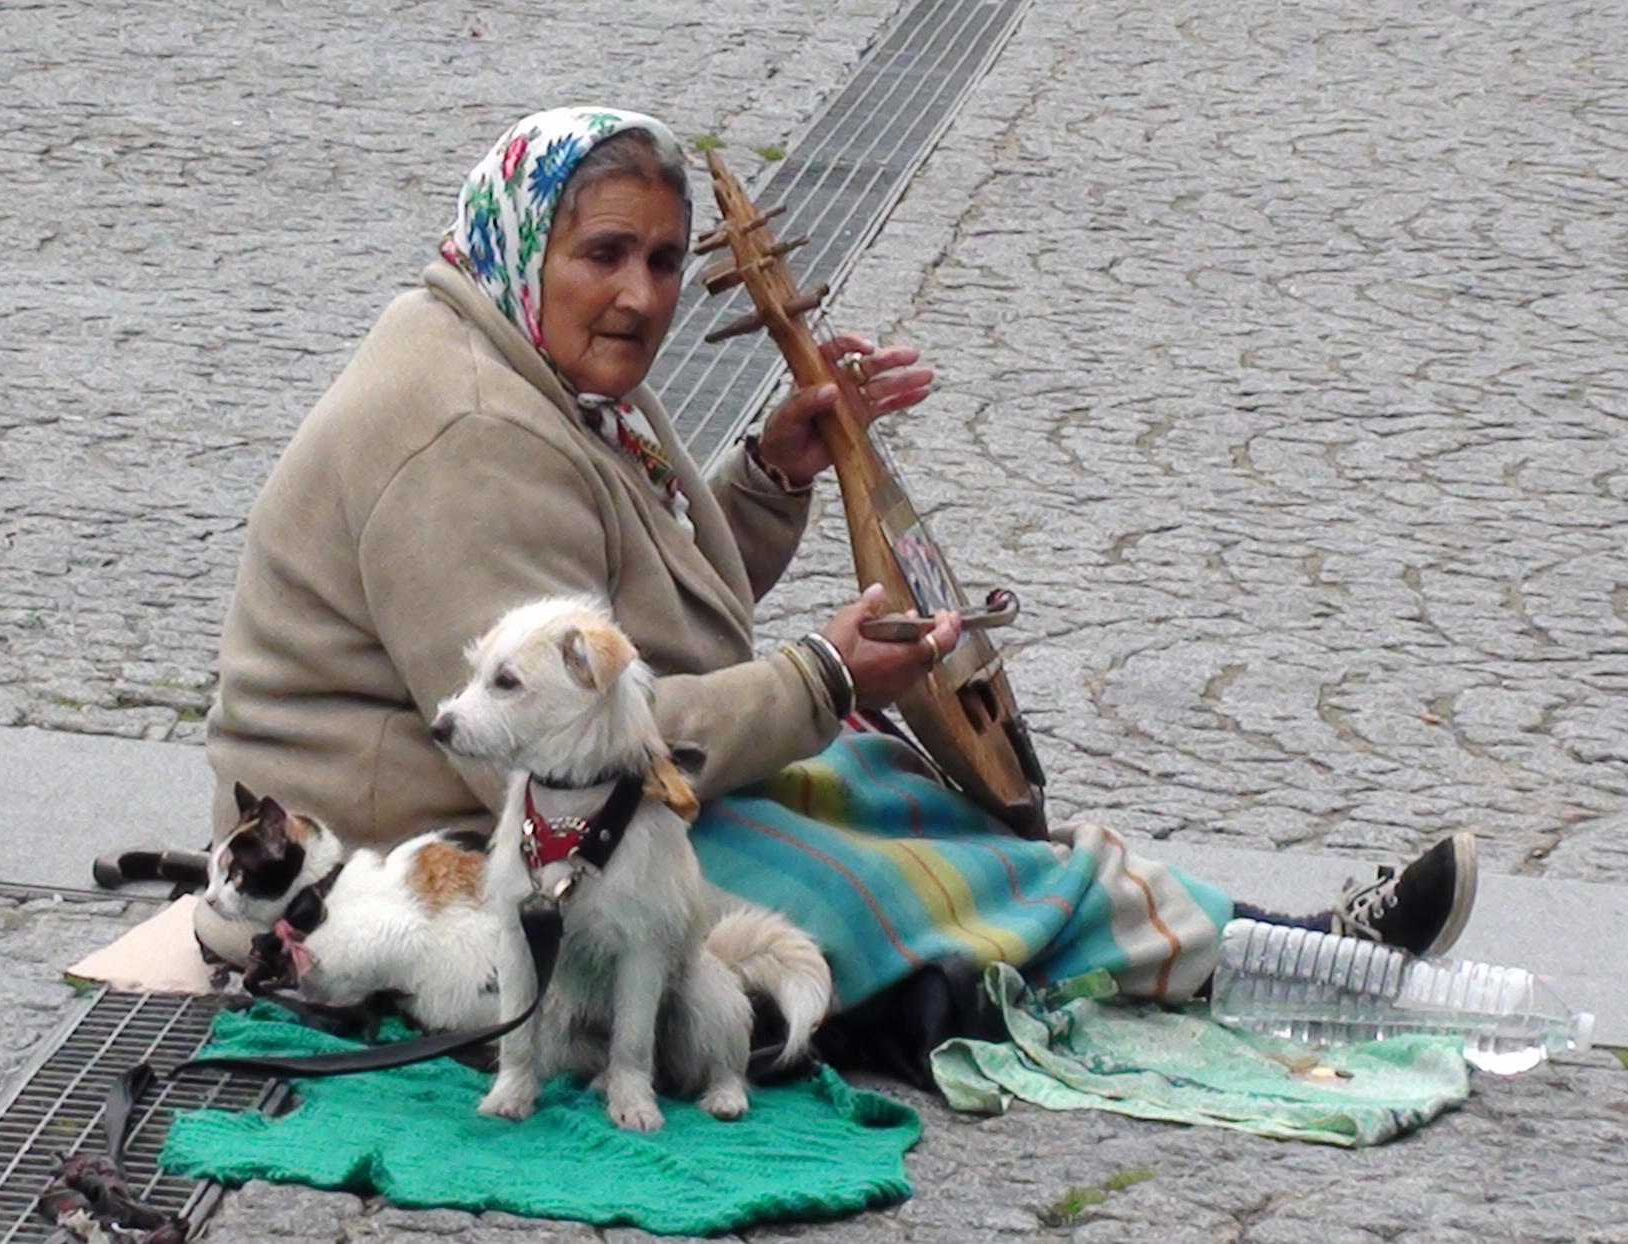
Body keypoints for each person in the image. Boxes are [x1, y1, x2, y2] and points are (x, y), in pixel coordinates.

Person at [198, 106, 1476, 1064]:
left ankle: (1259, 938)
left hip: (523, 797)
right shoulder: (468, 431)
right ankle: (1243, 961)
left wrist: (765, 475)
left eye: (662, 258)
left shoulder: (526, 359)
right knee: (836, 854)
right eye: (605, 254)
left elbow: (626, 639)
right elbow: (543, 756)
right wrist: (813, 676)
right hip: (400, 855)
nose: (641, 295)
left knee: (872, 773)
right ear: (528, 240)